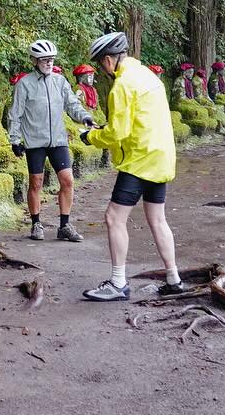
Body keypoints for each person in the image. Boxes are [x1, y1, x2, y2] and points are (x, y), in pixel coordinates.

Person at [77, 32, 186, 301]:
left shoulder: (123, 85)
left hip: (139, 161)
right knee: (158, 219)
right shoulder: (149, 76)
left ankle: (117, 283)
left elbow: (117, 133)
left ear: (109, 59)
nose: (102, 71)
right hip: (160, 157)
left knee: (114, 218)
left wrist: (91, 136)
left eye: (101, 65)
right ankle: (173, 279)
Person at [6, 38, 96, 242]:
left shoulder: (60, 81)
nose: (49, 63)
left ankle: (65, 225)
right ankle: (36, 223)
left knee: (68, 180)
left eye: (51, 60)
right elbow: (15, 114)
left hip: (58, 140)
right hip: (35, 141)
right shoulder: (24, 84)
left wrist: (85, 117)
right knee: (36, 183)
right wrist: (15, 139)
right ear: (35, 61)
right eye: (44, 60)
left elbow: (72, 104)